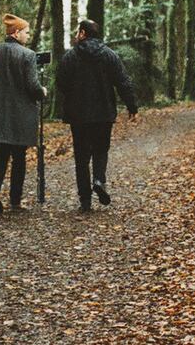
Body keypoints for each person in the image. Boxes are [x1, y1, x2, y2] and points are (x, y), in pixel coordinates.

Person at [55, 19, 138, 212]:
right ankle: (99, 180)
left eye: (78, 32)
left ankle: (85, 199)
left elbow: (61, 83)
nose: (76, 35)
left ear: (83, 33)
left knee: (81, 157)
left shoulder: (70, 57)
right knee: (101, 150)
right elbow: (123, 81)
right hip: (103, 113)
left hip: (78, 115)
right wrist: (132, 106)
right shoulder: (109, 55)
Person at [0, 14, 46, 213]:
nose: (28, 35)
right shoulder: (28, 55)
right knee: (19, 157)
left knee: (1, 153)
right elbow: (32, 86)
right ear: (16, 33)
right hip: (20, 115)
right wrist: (42, 91)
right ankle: (15, 200)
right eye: (26, 32)